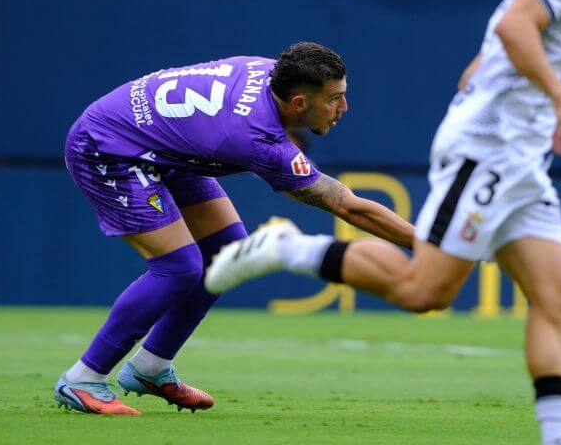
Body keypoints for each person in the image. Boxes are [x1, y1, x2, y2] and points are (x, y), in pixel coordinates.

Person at [206, 0, 561, 445]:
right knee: (425, 291)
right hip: (489, 152)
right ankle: (287, 247)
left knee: (557, 294)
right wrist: (560, 104)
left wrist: (547, 117)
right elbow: (514, 27)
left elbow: (483, 64)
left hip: (519, 157)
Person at [54, 43, 414, 415]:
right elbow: (347, 206)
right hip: (107, 148)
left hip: (159, 145)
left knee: (226, 256)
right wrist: (429, 246)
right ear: (299, 103)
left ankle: (150, 367)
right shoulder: (257, 139)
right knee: (178, 268)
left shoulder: (276, 72)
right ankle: (83, 378)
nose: (344, 107)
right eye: (335, 99)